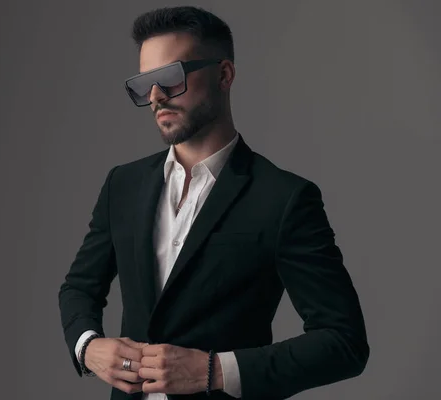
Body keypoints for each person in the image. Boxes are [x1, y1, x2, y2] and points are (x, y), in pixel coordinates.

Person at [58, 6, 369, 400]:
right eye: (144, 84)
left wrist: (215, 371)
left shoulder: (284, 198)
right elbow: (79, 287)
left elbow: (344, 342)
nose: (155, 97)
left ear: (224, 75)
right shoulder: (123, 184)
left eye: (170, 77)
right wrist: (87, 346)